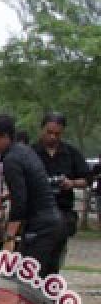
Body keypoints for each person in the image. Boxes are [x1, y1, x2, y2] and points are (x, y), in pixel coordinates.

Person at [0, 114, 66, 277]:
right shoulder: (24, 151)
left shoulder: (12, 160)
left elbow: (20, 201)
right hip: (55, 225)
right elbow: (27, 188)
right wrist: (2, 198)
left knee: (27, 283)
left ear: (4, 136)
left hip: (42, 229)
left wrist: (9, 237)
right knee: (45, 285)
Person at [31, 112, 90, 268]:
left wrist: (71, 183)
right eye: (49, 132)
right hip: (36, 212)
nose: (53, 137)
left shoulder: (71, 153)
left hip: (62, 210)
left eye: (57, 134)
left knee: (54, 255)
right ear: (42, 129)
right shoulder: (31, 153)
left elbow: (86, 179)